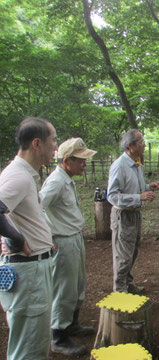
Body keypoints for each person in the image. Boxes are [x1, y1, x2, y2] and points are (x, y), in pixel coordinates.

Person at [0, 117, 57, 359]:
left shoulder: (24, 174)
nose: (56, 146)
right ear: (37, 144)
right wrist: (14, 237)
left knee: (34, 342)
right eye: (53, 140)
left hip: (32, 270)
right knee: (29, 349)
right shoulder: (19, 176)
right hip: (28, 274)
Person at [40, 138, 97, 356]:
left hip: (74, 237)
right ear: (66, 161)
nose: (84, 164)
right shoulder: (55, 182)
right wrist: (47, 235)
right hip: (62, 241)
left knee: (77, 284)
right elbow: (38, 208)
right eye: (81, 160)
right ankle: (58, 336)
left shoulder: (66, 179)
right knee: (64, 289)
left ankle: (71, 324)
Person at [107, 129, 159, 293]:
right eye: (141, 142)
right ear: (131, 145)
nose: (144, 145)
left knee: (132, 253)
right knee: (123, 257)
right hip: (123, 216)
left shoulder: (137, 164)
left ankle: (128, 284)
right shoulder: (119, 166)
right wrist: (139, 197)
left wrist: (149, 187)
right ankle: (120, 291)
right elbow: (112, 196)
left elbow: (137, 188)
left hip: (135, 214)